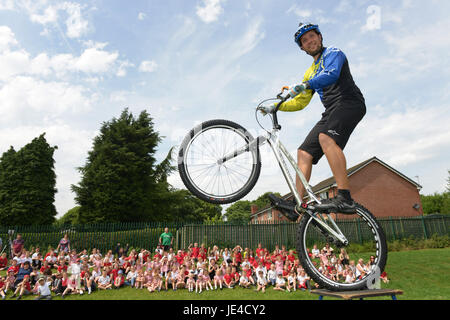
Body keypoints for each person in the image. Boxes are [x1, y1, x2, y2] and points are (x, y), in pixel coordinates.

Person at [262, 23, 366, 219]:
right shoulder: (309, 72)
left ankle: (344, 196)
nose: (310, 41)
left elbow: (331, 75)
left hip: (350, 102)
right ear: (302, 48)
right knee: (304, 153)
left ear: (320, 36)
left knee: (326, 138)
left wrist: (305, 85)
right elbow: (300, 102)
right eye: (305, 41)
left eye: (312, 36)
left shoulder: (334, 53)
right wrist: (277, 106)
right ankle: (296, 206)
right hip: (331, 111)